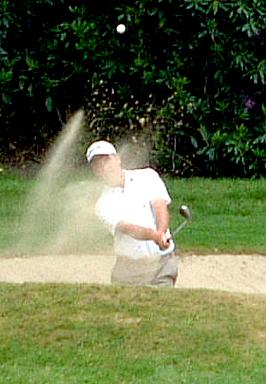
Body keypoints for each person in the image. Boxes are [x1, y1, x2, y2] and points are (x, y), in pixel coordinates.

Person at [86, 140, 178, 287]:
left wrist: (161, 232)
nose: (104, 167)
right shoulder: (103, 204)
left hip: (162, 264)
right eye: (98, 164)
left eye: (107, 160)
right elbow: (128, 228)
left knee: (162, 304)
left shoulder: (148, 176)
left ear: (117, 159)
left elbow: (160, 206)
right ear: (95, 171)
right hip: (129, 271)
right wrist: (155, 236)